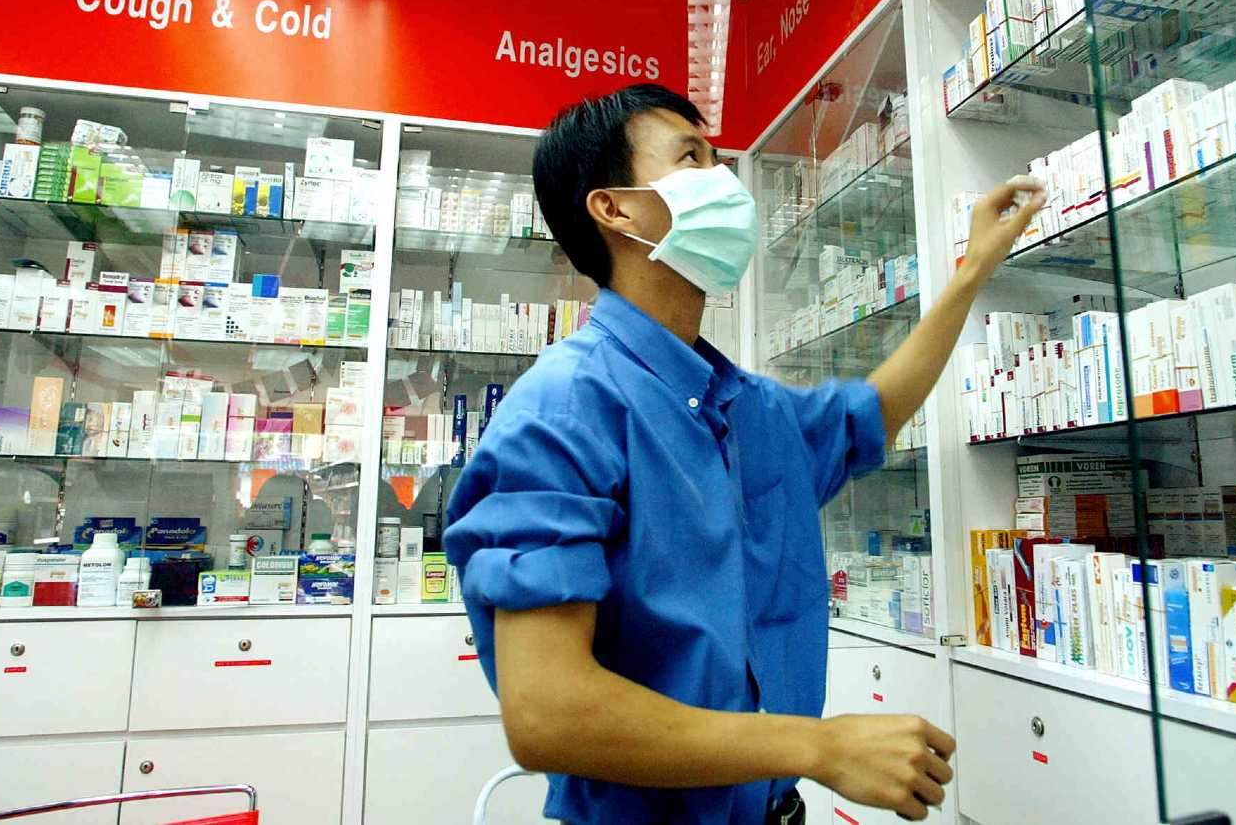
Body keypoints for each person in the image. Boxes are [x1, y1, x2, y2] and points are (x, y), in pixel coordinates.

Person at [443, 83, 1044, 825]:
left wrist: (972, 269)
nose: (724, 182)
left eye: (721, 160)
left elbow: (874, 409)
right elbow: (549, 713)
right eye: (692, 157)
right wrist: (815, 747)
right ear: (616, 207)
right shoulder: (564, 410)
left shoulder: (748, 408)